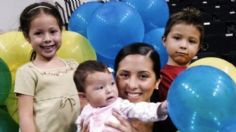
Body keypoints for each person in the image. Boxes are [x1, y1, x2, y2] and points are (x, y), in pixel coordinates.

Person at [14, 2, 80, 132]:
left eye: (53, 31)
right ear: (27, 36)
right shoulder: (28, 72)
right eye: (39, 33)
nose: (47, 39)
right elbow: (25, 117)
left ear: (61, 31)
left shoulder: (74, 66)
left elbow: (85, 101)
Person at [73, 60, 168, 132]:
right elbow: (80, 127)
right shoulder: (85, 112)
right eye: (100, 87)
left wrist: (159, 109)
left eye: (112, 83)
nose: (109, 90)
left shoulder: (119, 105)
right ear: (83, 96)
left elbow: (140, 109)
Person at [156, 7, 204, 131]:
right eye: (177, 38)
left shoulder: (203, 74)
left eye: (191, 41)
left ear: (199, 47)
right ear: (164, 41)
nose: (183, 45)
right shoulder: (158, 77)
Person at [105, 42, 165, 132]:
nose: (132, 85)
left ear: (157, 82)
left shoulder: (171, 121)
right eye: (125, 75)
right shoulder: (97, 114)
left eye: (143, 76)